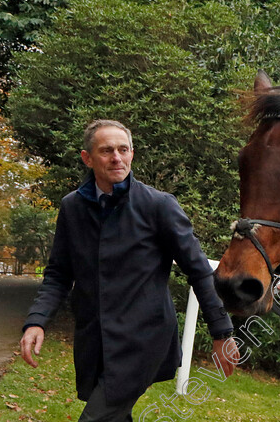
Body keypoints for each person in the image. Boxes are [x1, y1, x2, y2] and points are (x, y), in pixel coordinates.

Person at [20, 120, 238, 422]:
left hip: (143, 342)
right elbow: (58, 273)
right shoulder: (72, 208)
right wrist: (37, 321)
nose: (116, 158)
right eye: (107, 150)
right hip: (95, 340)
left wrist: (221, 332)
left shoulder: (159, 206)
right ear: (88, 158)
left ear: (132, 154)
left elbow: (199, 271)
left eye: (123, 150)